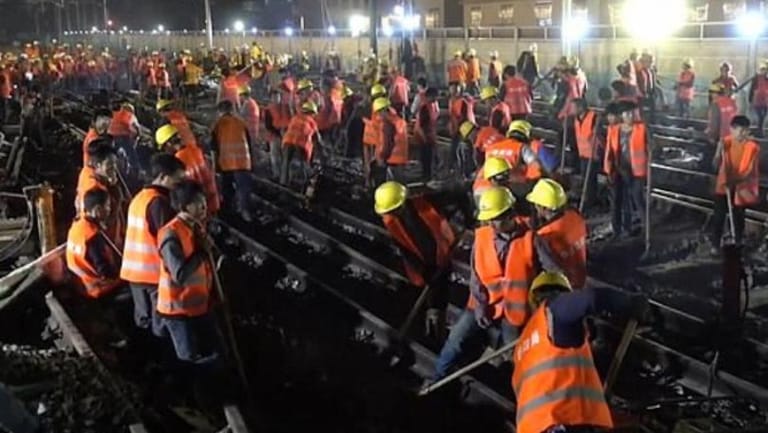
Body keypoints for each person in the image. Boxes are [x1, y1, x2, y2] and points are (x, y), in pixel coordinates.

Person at [426, 187, 535, 387]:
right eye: (488, 220)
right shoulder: (483, 236)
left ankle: (520, 391)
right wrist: (480, 306)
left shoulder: (530, 239)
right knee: (456, 338)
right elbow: (476, 276)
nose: (491, 224)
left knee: (516, 354)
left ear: (510, 214)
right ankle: (437, 377)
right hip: (484, 302)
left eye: (495, 219)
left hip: (513, 310)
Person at [512, 271, 647, 433]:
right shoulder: (555, 310)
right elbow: (590, 298)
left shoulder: (522, 345)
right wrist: (629, 302)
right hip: (560, 423)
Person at [374, 181, 456, 337]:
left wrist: (464, 216)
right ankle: (427, 330)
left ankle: (437, 331)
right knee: (424, 298)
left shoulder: (425, 203)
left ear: (403, 202)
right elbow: (405, 251)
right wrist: (423, 271)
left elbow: (454, 196)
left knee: (440, 297)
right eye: (390, 211)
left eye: (395, 209)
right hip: (422, 268)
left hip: (441, 257)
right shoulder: (390, 220)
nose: (393, 213)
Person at [121, 153, 186, 338]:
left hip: (134, 272)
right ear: (163, 177)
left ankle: (145, 349)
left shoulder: (140, 198)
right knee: (160, 324)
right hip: (152, 275)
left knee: (144, 319)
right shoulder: (159, 203)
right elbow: (168, 240)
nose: (179, 185)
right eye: (177, 180)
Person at [158, 180, 220, 364]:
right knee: (190, 358)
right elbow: (180, 275)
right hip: (178, 310)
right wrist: (202, 253)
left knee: (213, 349)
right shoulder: (171, 234)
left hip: (198, 304)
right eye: (198, 203)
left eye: (204, 201)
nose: (204, 207)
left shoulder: (195, 226)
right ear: (185, 207)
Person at [710, 115, 760, 250]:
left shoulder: (752, 147)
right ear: (732, 129)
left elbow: (747, 171)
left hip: (740, 188)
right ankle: (715, 245)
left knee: (738, 217)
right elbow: (714, 166)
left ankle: (737, 243)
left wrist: (732, 182)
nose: (743, 134)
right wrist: (718, 151)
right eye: (741, 130)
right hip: (723, 187)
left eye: (746, 130)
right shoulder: (725, 143)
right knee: (719, 217)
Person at [527, 178, 587, 289]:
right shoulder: (575, 216)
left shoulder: (544, 235)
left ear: (543, 207)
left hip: (563, 288)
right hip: (581, 280)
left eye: (536, 204)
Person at [604, 101, 649, 239]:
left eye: (632, 113)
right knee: (619, 200)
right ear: (621, 115)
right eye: (627, 114)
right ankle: (618, 229)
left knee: (637, 198)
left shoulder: (642, 129)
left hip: (637, 171)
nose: (630, 116)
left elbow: (651, 147)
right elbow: (609, 151)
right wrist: (608, 170)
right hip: (619, 169)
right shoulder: (613, 130)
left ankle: (646, 229)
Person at [67, 188, 123, 299]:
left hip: (83, 285)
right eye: (107, 206)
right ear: (97, 210)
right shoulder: (92, 237)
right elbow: (105, 271)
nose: (109, 210)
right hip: (101, 288)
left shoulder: (76, 227)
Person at [156, 124, 220, 217]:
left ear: (167, 144)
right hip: (212, 199)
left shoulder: (177, 160)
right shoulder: (196, 150)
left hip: (195, 208)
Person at [76, 142, 128, 249]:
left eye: (115, 164)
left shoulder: (86, 173)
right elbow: (106, 222)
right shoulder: (97, 188)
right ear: (98, 165)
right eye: (110, 165)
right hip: (108, 242)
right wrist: (116, 193)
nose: (114, 168)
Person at [210, 100, 253, 222]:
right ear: (232, 110)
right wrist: (251, 163)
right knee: (244, 190)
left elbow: (214, 149)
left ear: (220, 111)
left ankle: (228, 214)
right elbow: (249, 144)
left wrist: (214, 167)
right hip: (243, 163)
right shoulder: (241, 123)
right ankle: (245, 214)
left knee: (227, 190)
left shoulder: (217, 125)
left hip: (226, 164)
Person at [485, 120, 544, 199]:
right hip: (512, 190)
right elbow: (537, 166)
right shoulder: (522, 147)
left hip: (487, 188)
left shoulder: (491, 148)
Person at [281, 101, 322, 191]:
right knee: (302, 167)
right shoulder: (312, 122)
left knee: (286, 164)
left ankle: (283, 185)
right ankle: (300, 187)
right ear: (312, 113)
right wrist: (322, 154)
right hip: (300, 145)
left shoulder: (295, 118)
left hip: (287, 143)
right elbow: (318, 140)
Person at [370, 97, 409, 186]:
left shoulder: (387, 124)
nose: (378, 116)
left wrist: (381, 158)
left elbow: (386, 144)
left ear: (383, 111)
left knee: (390, 187)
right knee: (400, 184)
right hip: (400, 158)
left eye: (378, 113)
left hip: (390, 159)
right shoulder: (397, 120)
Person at [572, 98, 600, 210]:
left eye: (574, 108)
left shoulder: (593, 118)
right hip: (583, 153)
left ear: (580, 107)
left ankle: (590, 202)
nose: (572, 110)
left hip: (593, 154)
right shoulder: (577, 119)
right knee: (586, 179)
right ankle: (590, 200)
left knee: (590, 180)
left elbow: (599, 136)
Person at [448, 85, 476, 178]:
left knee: (463, 150)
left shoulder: (462, 102)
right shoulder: (454, 101)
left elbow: (462, 117)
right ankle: (458, 169)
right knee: (458, 149)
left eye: (455, 90)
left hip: (464, 130)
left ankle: (465, 172)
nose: (453, 92)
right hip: (460, 129)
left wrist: (458, 130)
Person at [264, 88, 292, 179]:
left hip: (286, 136)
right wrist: (278, 132)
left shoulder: (286, 108)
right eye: (274, 97)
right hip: (274, 136)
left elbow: (290, 120)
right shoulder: (268, 110)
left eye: (278, 96)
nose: (276, 98)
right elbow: (268, 125)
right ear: (271, 98)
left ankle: (285, 177)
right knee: (275, 157)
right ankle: (276, 175)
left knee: (285, 158)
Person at [414, 87, 439, 181]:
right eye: (435, 96)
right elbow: (420, 125)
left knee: (430, 158)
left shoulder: (432, 105)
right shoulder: (424, 107)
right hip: (424, 138)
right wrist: (424, 138)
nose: (436, 98)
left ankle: (428, 176)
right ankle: (426, 177)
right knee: (426, 159)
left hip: (430, 136)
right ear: (429, 96)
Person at [748, 62, 768, 137]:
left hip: (765, 102)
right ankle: (759, 131)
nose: (764, 72)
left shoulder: (767, 79)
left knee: (763, 116)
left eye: (765, 70)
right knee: (759, 116)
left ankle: (760, 131)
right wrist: (750, 99)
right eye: (762, 70)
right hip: (757, 101)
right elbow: (752, 89)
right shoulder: (756, 78)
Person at [239, 85, 261, 150]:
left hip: (249, 132)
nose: (239, 97)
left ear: (243, 95)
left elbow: (240, 116)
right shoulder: (253, 102)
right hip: (253, 132)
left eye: (240, 95)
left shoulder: (247, 103)